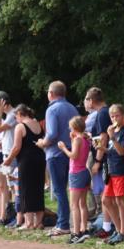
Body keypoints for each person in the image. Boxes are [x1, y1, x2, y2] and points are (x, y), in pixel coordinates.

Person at [36, 81, 79, 236]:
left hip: (55, 154)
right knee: (66, 189)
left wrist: (42, 143)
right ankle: (64, 222)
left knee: (59, 190)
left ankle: (63, 224)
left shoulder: (52, 109)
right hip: (70, 152)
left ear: (51, 93)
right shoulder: (72, 108)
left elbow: (52, 133)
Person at [3, 104, 45, 230]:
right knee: (38, 189)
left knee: (25, 190)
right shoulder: (38, 124)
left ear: (20, 114)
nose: (16, 119)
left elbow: (16, 147)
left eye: (16, 117)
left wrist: (8, 160)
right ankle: (39, 222)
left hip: (26, 161)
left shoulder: (20, 126)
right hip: (40, 159)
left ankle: (29, 223)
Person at [100, 104, 124, 244]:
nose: (114, 119)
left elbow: (121, 151)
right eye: (112, 116)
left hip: (121, 170)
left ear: (123, 116)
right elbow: (112, 151)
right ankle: (119, 230)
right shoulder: (114, 131)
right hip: (111, 170)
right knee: (106, 200)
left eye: (117, 116)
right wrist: (102, 148)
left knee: (119, 200)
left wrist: (112, 137)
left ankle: (123, 232)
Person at [58, 115, 92, 244]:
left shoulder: (78, 139)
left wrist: (63, 148)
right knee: (82, 204)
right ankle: (84, 229)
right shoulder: (85, 139)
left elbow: (74, 156)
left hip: (76, 173)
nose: (69, 129)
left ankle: (76, 233)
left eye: (70, 127)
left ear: (74, 127)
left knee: (74, 205)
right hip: (84, 171)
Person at [83, 87, 109, 227]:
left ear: (91, 100)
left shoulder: (101, 114)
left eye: (87, 99)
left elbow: (103, 138)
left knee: (103, 192)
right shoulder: (103, 112)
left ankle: (106, 222)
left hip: (103, 159)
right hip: (103, 156)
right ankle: (105, 221)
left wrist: (98, 161)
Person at [0, 91, 19, 225]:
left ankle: (16, 216)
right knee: (10, 185)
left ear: (2, 102)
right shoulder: (9, 115)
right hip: (7, 153)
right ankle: (11, 215)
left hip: (11, 155)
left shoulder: (12, 114)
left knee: (14, 186)